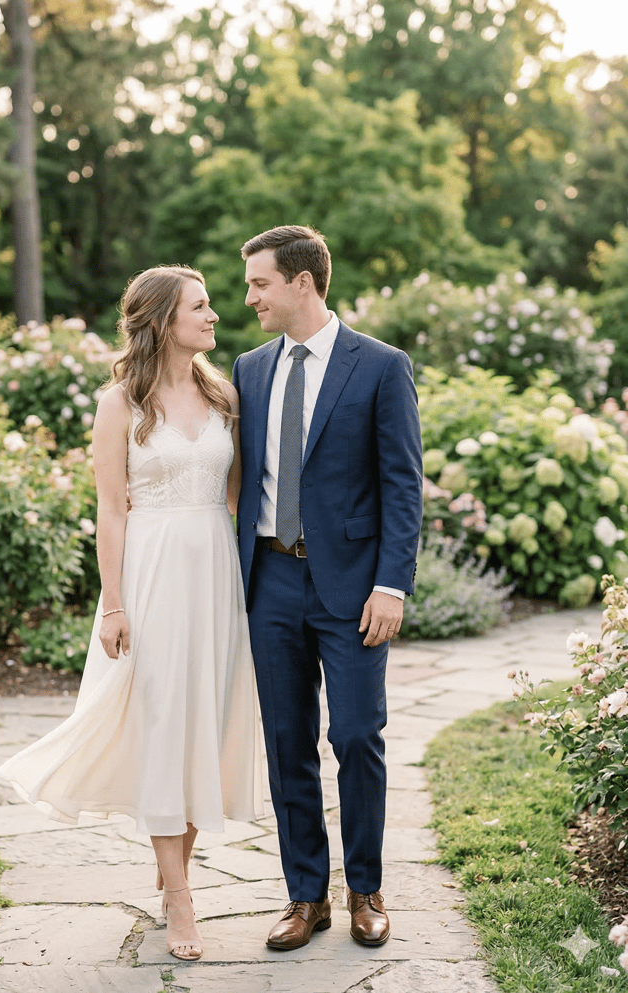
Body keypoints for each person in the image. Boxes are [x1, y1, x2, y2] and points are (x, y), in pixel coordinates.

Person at [0, 265, 264, 962]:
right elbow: (109, 511)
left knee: (202, 724)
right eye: (200, 306)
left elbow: (238, 502)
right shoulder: (119, 404)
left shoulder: (225, 395)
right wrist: (112, 605)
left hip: (214, 576)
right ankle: (180, 897)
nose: (215, 315)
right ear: (161, 320)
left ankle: (173, 861)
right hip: (150, 576)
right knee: (162, 722)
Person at [232, 226, 422, 951]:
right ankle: (304, 894)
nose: (249, 297)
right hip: (271, 578)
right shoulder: (250, 370)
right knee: (287, 740)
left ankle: (365, 889)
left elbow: (403, 485)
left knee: (356, 735)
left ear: (302, 282)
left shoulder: (379, 366)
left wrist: (391, 584)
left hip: (354, 588)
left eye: (259, 283)